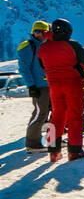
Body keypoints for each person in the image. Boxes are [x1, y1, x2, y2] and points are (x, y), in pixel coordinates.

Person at [36, 17, 84, 162]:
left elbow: (43, 66)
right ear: (68, 32)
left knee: (57, 116)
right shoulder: (72, 45)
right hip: (73, 84)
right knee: (75, 116)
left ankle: (54, 151)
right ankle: (74, 151)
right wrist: (77, 67)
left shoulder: (43, 48)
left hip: (54, 85)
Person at [17, 19, 51, 152]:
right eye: (36, 32)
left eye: (42, 32)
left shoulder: (47, 45)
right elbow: (24, 68)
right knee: (40, 113)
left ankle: (52, 139)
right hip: (39, 86)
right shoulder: (28, 46)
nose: (39, 34)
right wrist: (31, 85)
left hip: (50, 84)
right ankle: (32, 143)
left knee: (51, 112)